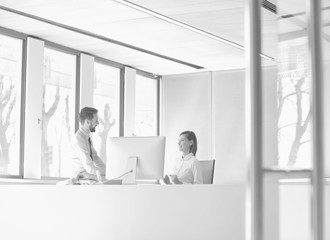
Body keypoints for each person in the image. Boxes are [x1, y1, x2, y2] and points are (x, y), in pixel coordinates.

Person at [71, 107, 106, 183]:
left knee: (106, 180)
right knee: (104, 182)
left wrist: (107, 170)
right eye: (96, 120)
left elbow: (95, 157)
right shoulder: (79, 139)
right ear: (87, 122)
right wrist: (104, 175)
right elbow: (89, 167)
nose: (98, 123)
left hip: (87, 176)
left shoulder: (86, 137)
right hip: (80, 178)